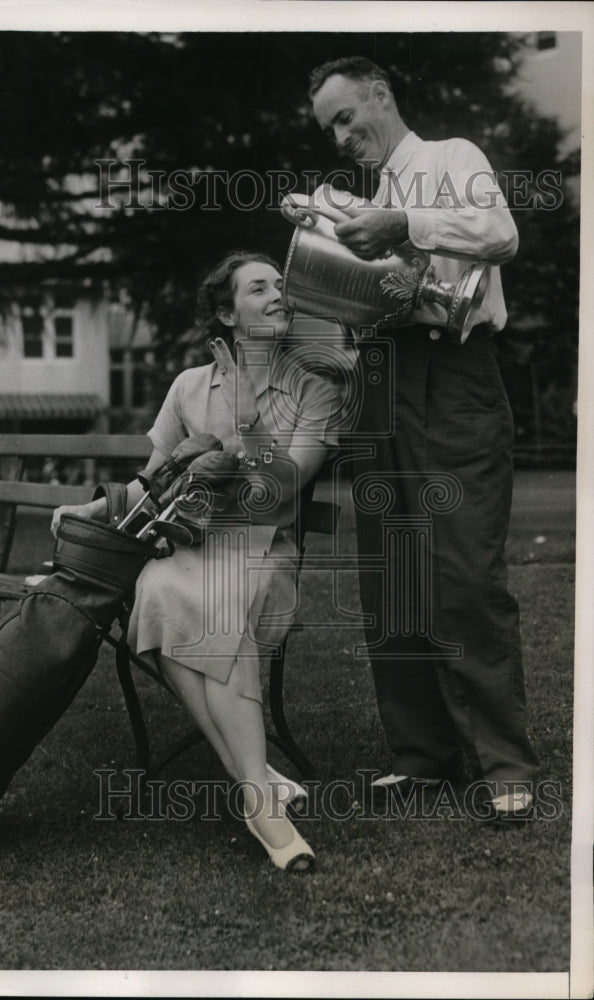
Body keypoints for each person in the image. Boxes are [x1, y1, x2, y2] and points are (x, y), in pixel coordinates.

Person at [52, 250, 342, 870]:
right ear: (226, 314)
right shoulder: (187, 385)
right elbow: (154, 482)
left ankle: (254, 792)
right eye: (258, 288)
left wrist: (247, 417)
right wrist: (90, 509)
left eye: (280, 286)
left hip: (265, 549)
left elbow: (285, 489)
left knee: (219, 612)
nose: (277, 295)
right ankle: (256, 787)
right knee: (158, 590)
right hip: (191, 543)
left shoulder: (316, 387)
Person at [305, 56, 540, 820]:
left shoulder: (451, 158)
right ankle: (425, 758)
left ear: (382, 96)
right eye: (329, 128)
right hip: (382, 381)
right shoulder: (365, 203)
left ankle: (505, 765)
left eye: (347, 116)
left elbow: (500, 234)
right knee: (394, 580)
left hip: (456, 378)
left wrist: (402, 224)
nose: (342, 136)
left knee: (465, 574)